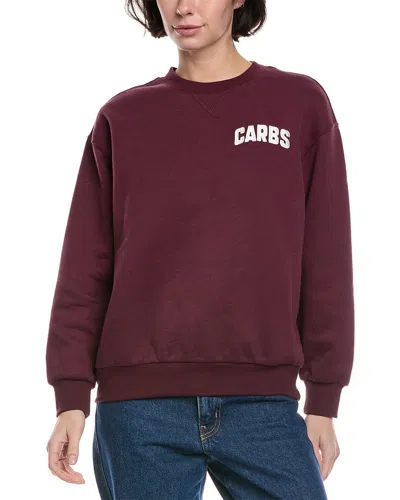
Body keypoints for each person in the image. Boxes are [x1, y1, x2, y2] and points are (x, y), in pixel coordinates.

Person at [45, 0, 354, 498]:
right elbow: (85, 266)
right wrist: (71, 396)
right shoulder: (123, 117)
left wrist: (324, 396)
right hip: (138, 408)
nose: (183, 7)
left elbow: (327, 257)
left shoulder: (299, 104)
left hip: (263, 403)